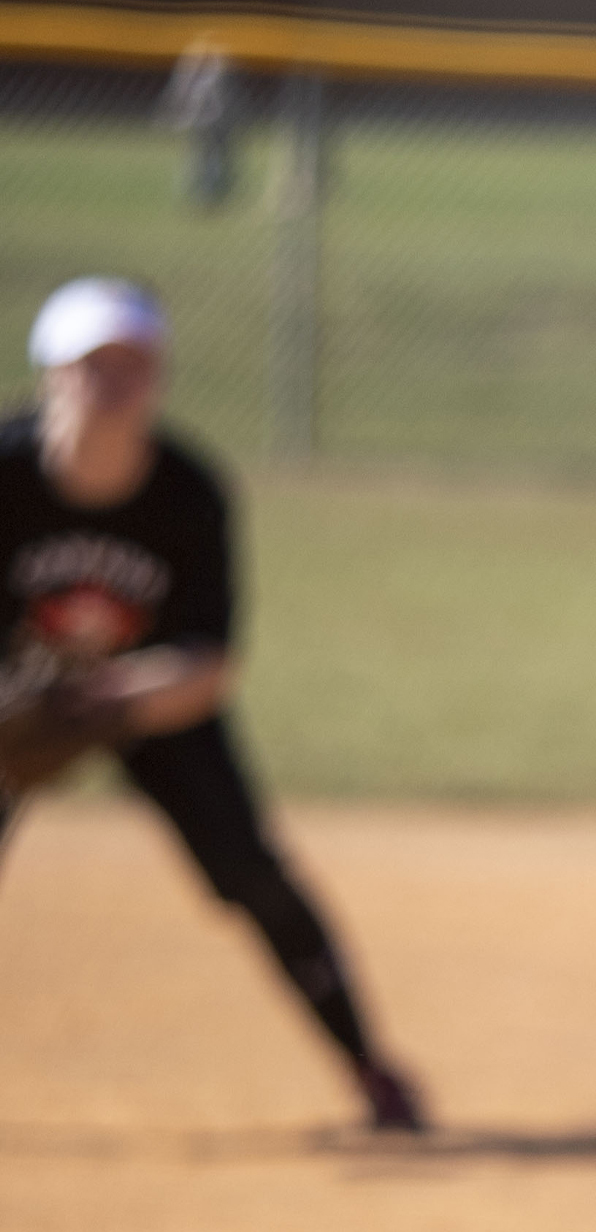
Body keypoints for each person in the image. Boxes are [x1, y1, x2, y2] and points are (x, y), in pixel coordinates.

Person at [0, 277, 427, 1134]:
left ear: (159, 377)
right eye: (93, 362)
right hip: (14, 701)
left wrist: (113, 698)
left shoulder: (189, 492)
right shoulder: (4, 474)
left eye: (134, 363)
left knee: (249, 872)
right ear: (50, 370)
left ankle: (371, 1071)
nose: (113, 381)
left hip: (146, 701)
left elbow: (210, 663)